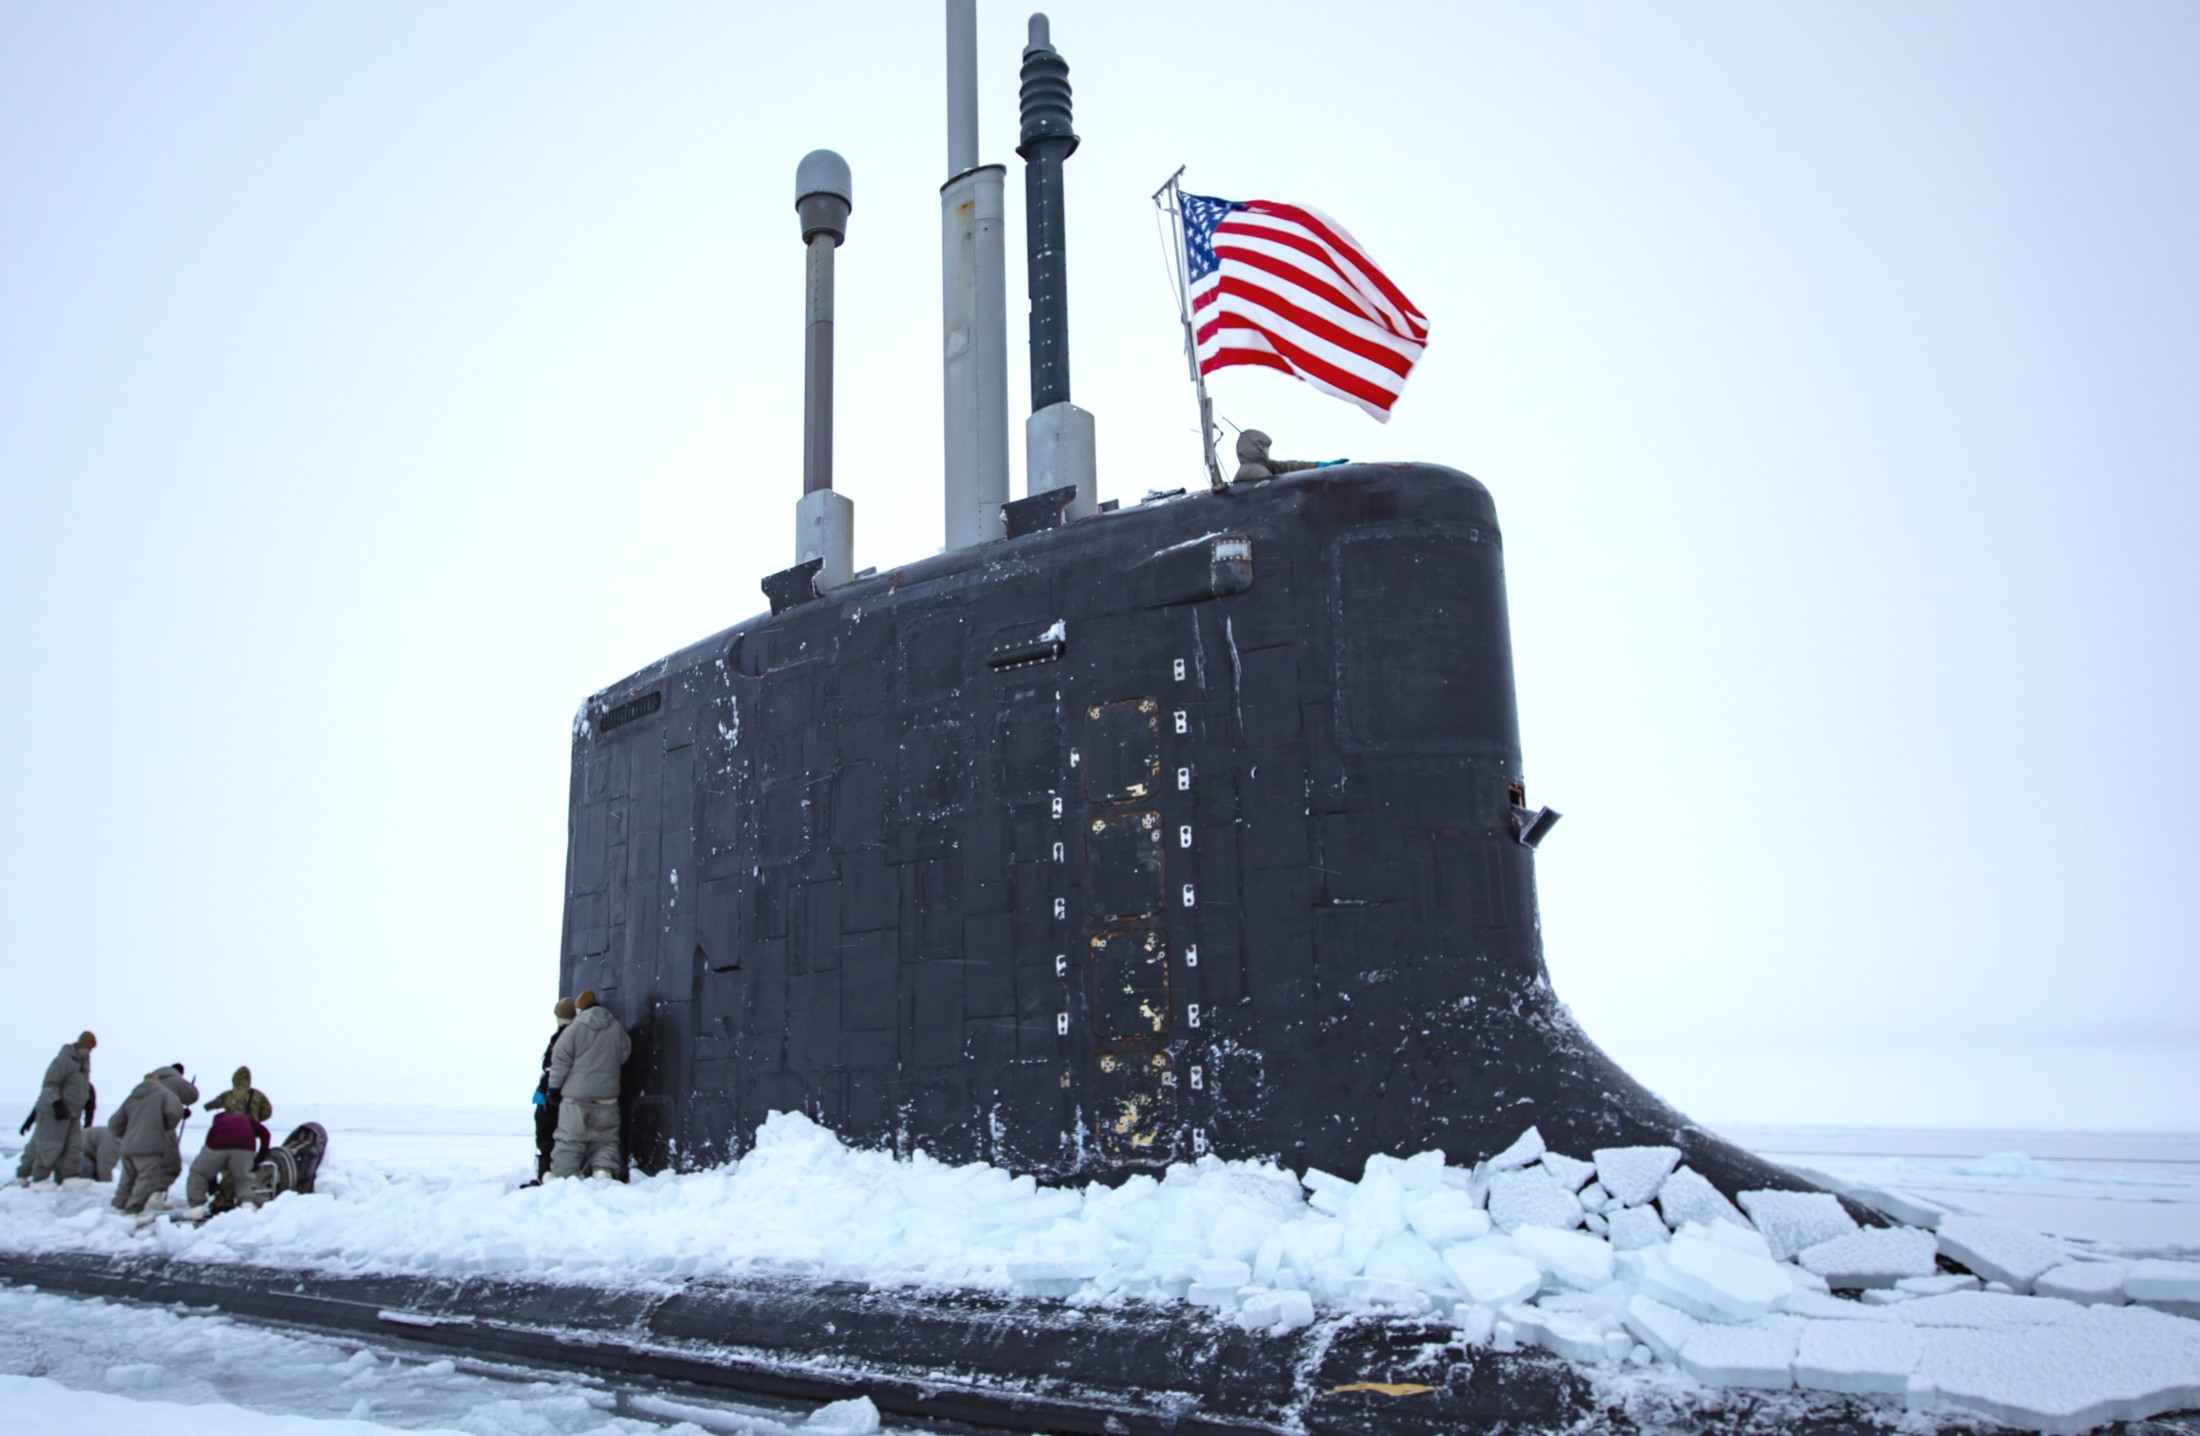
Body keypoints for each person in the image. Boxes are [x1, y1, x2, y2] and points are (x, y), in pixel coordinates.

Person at [546, 989, 629, 1179]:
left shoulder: (574, 1029)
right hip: (607, 1100)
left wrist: (553, 1089)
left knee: (569, 1140)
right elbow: (624, 1055)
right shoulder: (616, 1028)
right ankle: (603, 1172)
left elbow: (559, 1060)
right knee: (606, 1140)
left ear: (580, 1008)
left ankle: (563, 1178)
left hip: (576, 1099)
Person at [110, 1064, 198, 1215]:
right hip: (154, 1138)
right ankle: (138, 1207)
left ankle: (118, 1207)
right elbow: (190, 1098)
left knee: (129, 1177)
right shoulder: (169, 1087)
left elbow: (114, 1124)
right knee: (161, 1170)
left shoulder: (134, 1096)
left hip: (129, 1143)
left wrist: (127, 1137)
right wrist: (170, 1123)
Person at [16, 1032, 96, 1188]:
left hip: (73, 1114)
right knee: (49, 1145)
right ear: (81, 1044)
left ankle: (69, 1178)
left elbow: (89, 1099)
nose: (89, 1051)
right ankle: (40, 1179)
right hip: (55, 1113)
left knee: (74, 1147)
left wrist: (87, 1120)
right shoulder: (63, 1061)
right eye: (88, 1047)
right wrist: (57, 1104)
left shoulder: (84, 1064)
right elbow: (49, 1085)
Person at [181, 1101, 271, 1220]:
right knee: (243, 1179)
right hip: (245, 1146)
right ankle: (247, 1204)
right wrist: (259, 1157)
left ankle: (196, 1207)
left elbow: (208, 1152)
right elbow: (266, 1134)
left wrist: (211, 1182)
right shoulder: (247, 1119)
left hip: (218, 1145)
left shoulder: (218, 1122)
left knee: (199, 1173)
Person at [526, 997, 577, 1186]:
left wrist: (547, 1091)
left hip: (554, 1096)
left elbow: (553, 1068)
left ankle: (546, 1173)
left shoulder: (563, 1038)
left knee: (546, 1133)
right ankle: (549, 1172)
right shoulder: (575, 1036)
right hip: (563, 1095)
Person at [203, 1066, 272, 1123]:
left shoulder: (228, 1094)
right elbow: (267, 1112)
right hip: (250, 1130)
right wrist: (256, 1118)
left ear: (235, 1079)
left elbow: (209, 1106)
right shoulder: (258, 1095)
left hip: (231, 1128)